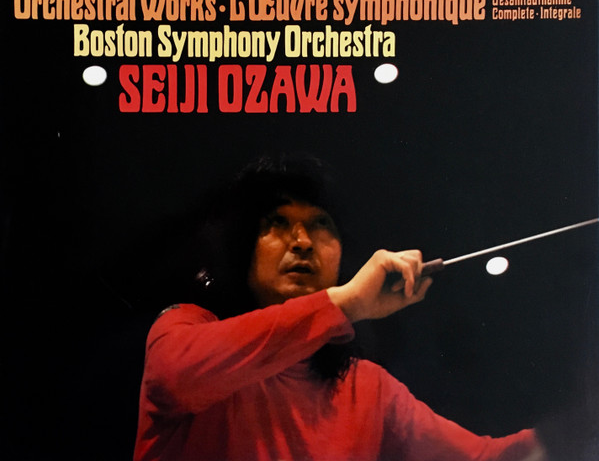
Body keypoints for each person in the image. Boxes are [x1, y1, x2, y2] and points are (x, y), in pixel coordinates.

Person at [133, 155, 547, 461]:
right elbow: (179, 376)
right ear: (244, 248)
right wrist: (347, 302)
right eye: (277, 223)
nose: (302, 242)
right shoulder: (183, 327)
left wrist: (565, 433)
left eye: (320, 225)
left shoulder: (367, 388)